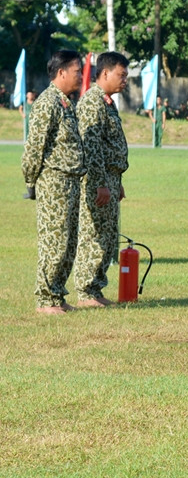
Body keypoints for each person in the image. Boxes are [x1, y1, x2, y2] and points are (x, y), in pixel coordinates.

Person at [21, 51, 86, 314]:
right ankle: (45, 299)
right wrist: (31, 182)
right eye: (77, 71)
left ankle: (57, 294)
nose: (81, 76)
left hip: (71, 182)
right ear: (61, 73)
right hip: (54, 182)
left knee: (68, 242)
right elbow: (34, 148)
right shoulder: (48, 102)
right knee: (55, 241)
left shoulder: (65, 103)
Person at [74, 51, 130, 308]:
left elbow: (109, 146)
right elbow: (91, 147)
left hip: (109, 178)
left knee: (107, 238)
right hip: (98, 181)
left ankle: (95, 290)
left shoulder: (106, 102)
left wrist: (116, 180)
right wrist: (100, 183)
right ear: (105, 73)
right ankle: (86, 292)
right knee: (94, 236)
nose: (125, 80)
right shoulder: (92, 102)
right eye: (121, 74)